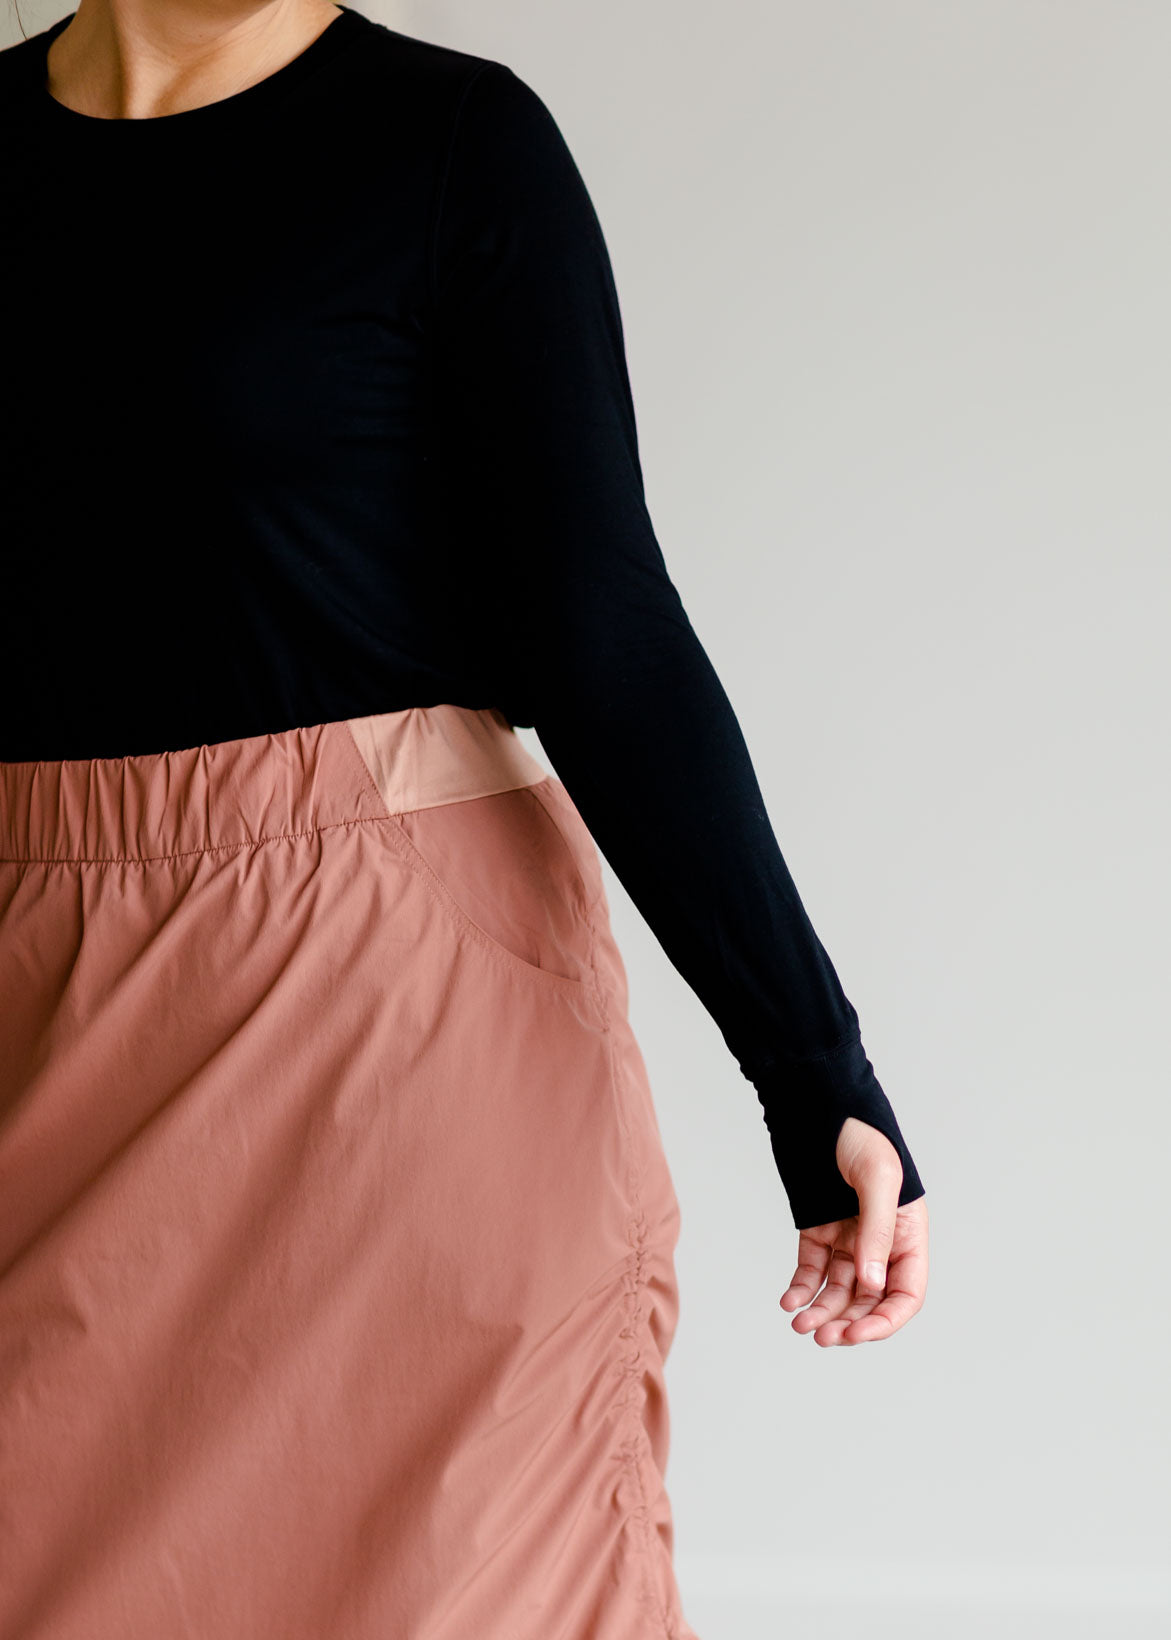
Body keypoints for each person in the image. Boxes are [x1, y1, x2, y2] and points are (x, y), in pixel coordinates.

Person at [0, 2, 929, 1635]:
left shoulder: (447, 144)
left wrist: (813, 1070)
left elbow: (605, 634)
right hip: (44, 1008)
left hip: (400, 1015)